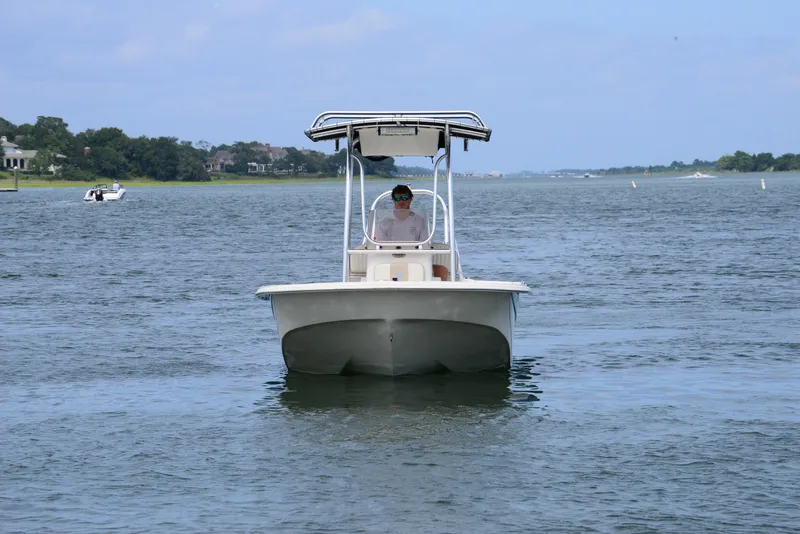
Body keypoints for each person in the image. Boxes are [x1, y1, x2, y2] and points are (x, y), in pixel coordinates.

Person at [376, 184, 450, 281]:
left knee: (442, 270)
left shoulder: (420, 222)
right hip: (390, 260)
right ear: (393, 200)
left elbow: (424, 245)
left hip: (416, 261)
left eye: (405, 198)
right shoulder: (384, 222)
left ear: (410, 199)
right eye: (397, 198)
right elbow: (381, 247)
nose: (401, 201)